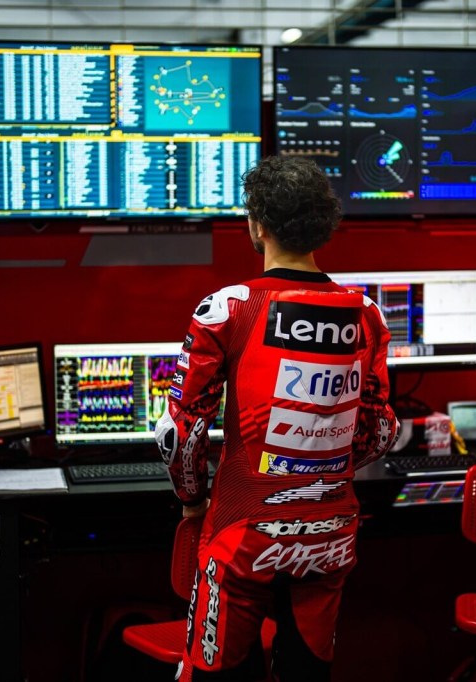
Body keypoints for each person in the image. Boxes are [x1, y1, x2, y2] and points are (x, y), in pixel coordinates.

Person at [156, 155, 399, 681]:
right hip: (331, 534)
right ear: (323, 226)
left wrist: (192, 500)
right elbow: (381, 431)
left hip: (242, 533)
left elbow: (179, 432)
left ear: (257, 224)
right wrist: (323, 462)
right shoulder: (367, 313)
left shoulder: (228, 308)